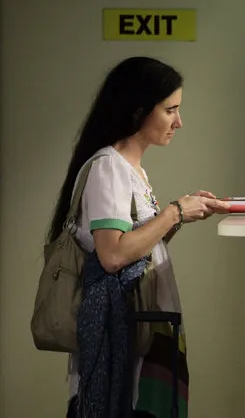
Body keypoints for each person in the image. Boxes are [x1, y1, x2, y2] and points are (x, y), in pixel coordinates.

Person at [47, 56, 230, 417]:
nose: (179, 122)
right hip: (125, 336)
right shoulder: (109, 169)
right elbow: (113, 255)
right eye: (170, 110)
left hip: (141, 331)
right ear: (138, 111)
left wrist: (182, 216)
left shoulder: (130, 169)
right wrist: (174, 211)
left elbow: (136, 248)